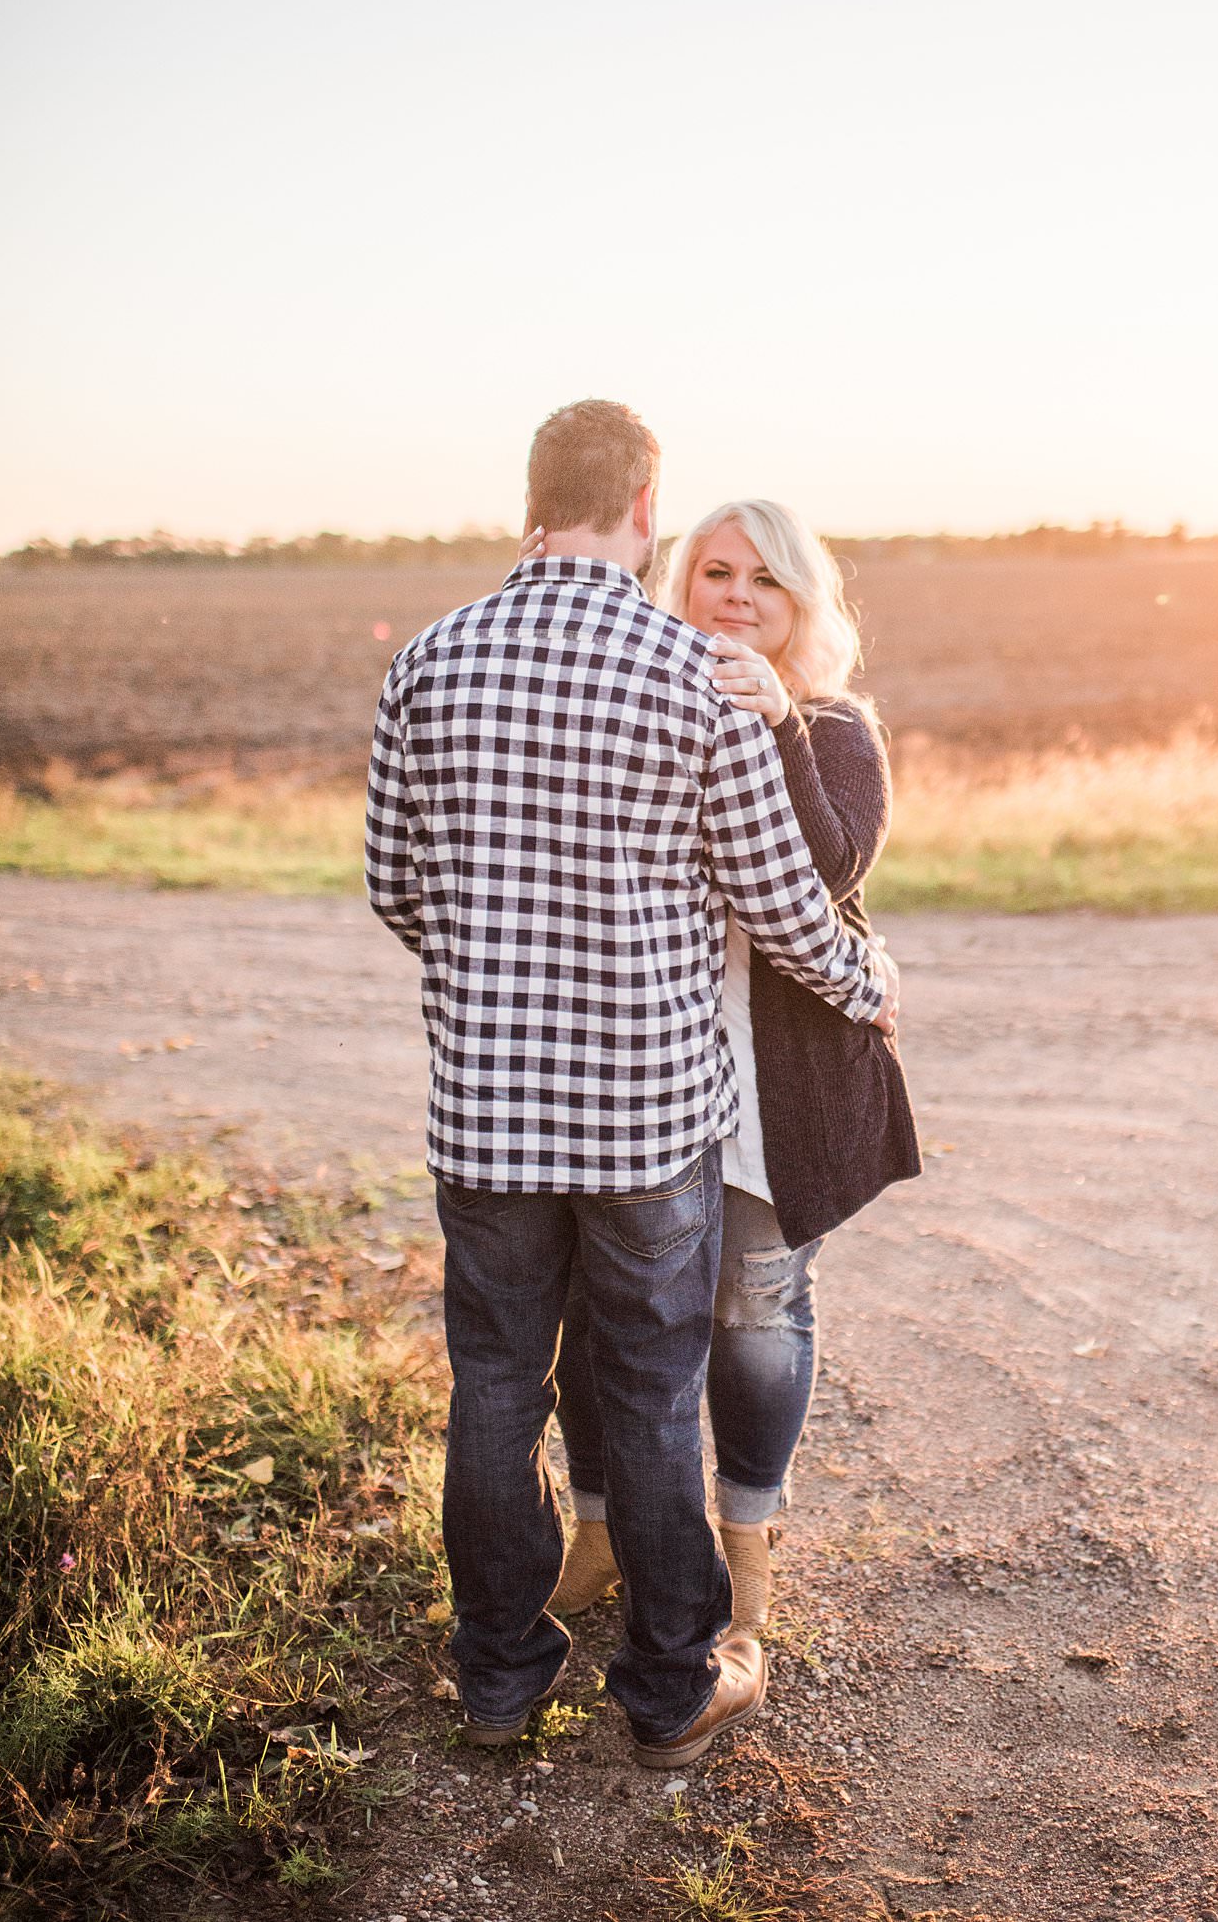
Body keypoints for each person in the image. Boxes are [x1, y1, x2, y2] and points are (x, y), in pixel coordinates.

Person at [364, 404, 897, 1769]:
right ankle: (667, 1691)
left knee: (494, 1387)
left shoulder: (428, 664)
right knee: (655, 1392)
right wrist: (862, 982)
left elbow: (395, 887)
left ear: (535, 496)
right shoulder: (686, 674)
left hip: (483, 1109)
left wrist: (497, 969)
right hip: (646, 1119)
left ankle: (497, 1680)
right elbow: (781, 901)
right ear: (647, 502)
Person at [552, 499, 920, 1639]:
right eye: (715, 572)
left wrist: (779, 735)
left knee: (756, 1310)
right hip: (645, 1065)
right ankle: (602, 1531)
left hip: (780, 1082)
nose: (736, 598)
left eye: (766, 582)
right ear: (680, 582)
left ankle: (746, 1549)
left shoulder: (837, 727)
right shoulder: (643, 703)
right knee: (602, 1311)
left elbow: (832, 867)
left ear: (800, 605)